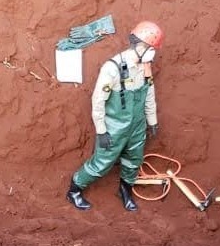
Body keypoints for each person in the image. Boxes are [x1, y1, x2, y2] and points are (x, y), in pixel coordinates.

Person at [66, 21, 164, 212]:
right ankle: (75, 190)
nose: (153, 53)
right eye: (151, 48)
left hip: (137, 126)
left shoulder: (145, 67)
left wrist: (152, 121)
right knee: (102, 163)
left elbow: (149, 94)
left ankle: (125, 190)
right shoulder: (112, 68)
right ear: (141, 46)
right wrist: (102, 131)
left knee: (134, 160)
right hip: (115, 127)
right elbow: (98, 101)